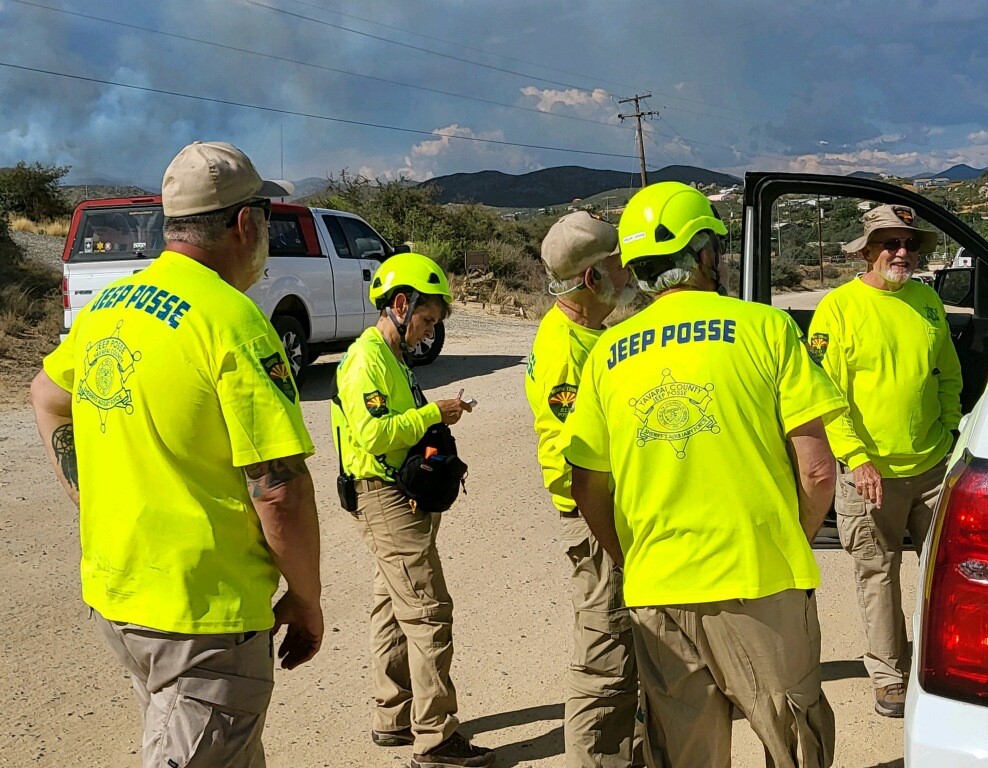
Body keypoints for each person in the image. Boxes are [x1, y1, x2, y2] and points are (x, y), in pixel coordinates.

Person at [29, 140, 323, 767]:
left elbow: (48, 395)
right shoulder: (233, 321)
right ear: (246, 224)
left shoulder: (109, 303)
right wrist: (306, 598)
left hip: (120, 598)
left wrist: (90, 496)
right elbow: (278, 489)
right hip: (200, 618)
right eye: (266, 217)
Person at [563, 181, 845, 768]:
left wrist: (628, 555)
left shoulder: (607, 355)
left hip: (658, 589)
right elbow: (818, 471)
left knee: (683, 753)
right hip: (760, 579)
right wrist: (788, 537)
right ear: (705, 253)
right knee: (791, 740)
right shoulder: (765, 329)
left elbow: (586, 484)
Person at [330, 252, 494, 768]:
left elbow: (396, 421)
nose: (428, 333)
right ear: (400, 306)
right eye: (425, 320)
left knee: (392, 607)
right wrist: (432, 413)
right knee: (427, 612)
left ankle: (393, 715)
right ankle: (436, 739)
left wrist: (434, 416)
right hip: (384, 496)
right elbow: (374, 434)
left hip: (397, 495)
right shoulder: (366, 360)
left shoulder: (392, 358)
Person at [808, 204, 962, 718]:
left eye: (910, 244)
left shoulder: (928, 302)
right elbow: (826, 396)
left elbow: (947, 374)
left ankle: (945, 660)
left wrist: (949, 430)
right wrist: (855, 458)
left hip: (933, 467)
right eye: (891, 242)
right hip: (869, 475)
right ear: (868, 249)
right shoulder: (838, 308)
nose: (902, 252)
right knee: (877, 577)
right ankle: (890, 675)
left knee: (948, 571)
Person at [524, 211, 641, 767]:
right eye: (617, 263)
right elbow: (574, 457)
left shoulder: (590, 333)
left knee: (632, 645)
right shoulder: (565, 348)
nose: (627, 272)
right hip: (597, 516)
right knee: (606, 649)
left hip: (615, 509)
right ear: (593, 279)